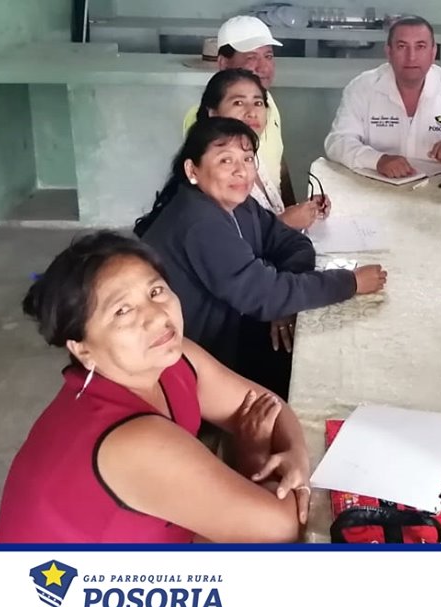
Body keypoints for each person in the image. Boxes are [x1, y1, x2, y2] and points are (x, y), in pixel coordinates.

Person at [0, 232, 313, 542]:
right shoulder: (132, 441)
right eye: (122, 311)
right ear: (82, 349)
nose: (157, 317)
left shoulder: (170, 357)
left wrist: (296, 453)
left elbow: (267, 404)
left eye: (156, 291)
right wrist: (255, 456)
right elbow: (280, 529)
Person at [135, 117, 387, 399]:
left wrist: (280, 301)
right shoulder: (199, 222)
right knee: (321, 372)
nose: (241, 171)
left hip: (232, 329)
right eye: (225, 161)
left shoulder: (241, 205)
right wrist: (351, 282)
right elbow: (265, 294)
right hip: (191, 362)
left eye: (247, 159)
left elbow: (293, 244)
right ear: (192, 169)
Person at [324, 15, 441, 178]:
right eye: (402, 46)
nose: (411, 57)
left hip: (440, 188)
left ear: (433, 52)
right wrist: (377, 160)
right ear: (389, 52)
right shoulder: (361, 88)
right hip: (375, 186)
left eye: (420, 46)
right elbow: (338, 141)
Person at [196, 68, 329, 231]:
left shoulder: (252, 155)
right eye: (238, 103)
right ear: (213, 113)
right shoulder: (211, 169)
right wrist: (285, 223)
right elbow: (227, 238)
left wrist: (306, 210)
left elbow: (267, 217)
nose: (252, 112)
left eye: (258, 103)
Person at [183, 16, 295, 204]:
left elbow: (277, 162)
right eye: (251, 57)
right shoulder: (203, 118)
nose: (263, 67)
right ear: (223, 63)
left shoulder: (267, 101)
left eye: (268, 56)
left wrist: (292, 206)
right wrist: (285, 219)